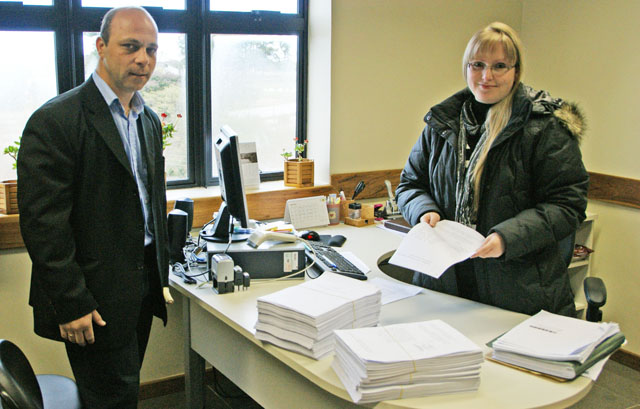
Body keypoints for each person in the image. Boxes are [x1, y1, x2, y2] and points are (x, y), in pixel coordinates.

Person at [18, 6, 173, 408]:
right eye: (131, 47)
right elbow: (44, 225)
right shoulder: (56, 121)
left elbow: (147, 202)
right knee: (112, 398)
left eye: (152, 49)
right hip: (92, 297)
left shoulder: (148, 119)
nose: (143, 59)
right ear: (101, 47)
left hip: (137, 286)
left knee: (120, 390)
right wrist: (72, 303)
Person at [395, 22, 589, 317]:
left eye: (499, 66)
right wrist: (423, 211)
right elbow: (410, 183)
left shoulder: (544, 126)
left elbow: (567, 205)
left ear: (516, 70)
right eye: (478, 65)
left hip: (519, 290)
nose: (487, 76)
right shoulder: (444, 123)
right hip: (446, 281)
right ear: (467, 67)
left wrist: (507, 238)